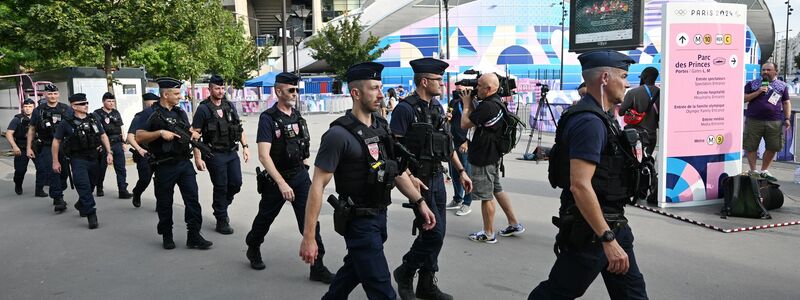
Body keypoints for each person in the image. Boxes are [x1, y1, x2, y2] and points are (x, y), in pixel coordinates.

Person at [299, 62, 436, 300]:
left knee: (353, 270)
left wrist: (419, 202)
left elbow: (396, 170)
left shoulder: (381, 127)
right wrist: (309, 237)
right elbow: (318, 185)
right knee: (382, 289)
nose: (381, 94)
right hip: (358, 223)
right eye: (374, 88)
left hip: (379, 216)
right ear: (356, 93)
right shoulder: (337, 135)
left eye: (381, 88)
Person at [530, 50, 648, 299]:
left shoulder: (601, 118)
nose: (628, 83)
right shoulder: (590, 122)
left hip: (611, 222)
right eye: (624, 76)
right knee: (558, 292)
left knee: (632, 293)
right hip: (593, 230)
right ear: (605, 78)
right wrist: (606, 238)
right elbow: (580, 185)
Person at [389, 57, 471, 300]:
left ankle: (426, 283)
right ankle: (405, 272)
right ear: (424, 81)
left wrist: (461, 171)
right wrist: (410, 177)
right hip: (418, 181)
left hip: (436, 177)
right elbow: (394, 150)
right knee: (433, 233)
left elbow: (448, 145)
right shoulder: (404, 109)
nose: (442, 84)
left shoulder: (436, 107)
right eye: (438, 80)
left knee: (439, 233)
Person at [244, 72, 334, 283]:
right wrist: (281, 183)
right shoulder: (268, 119)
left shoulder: (297, 116)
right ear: (278, 91)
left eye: (296, 90)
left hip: (299, 177)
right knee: (265, 218)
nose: (295, 93)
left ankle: (317, 266)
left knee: (310, 222)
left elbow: (301, 147)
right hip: (277, 180)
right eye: (291, 90)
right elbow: (263, 156)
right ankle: (253, 247)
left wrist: (303, 168)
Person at [133, 77, 213, 250]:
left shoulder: (180, 112)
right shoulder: (149, 113)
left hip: (184, 163)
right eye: (176, 93)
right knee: (165, 202)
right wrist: (160, 133)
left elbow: (187, 131)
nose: (180, 96)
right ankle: (167, 235)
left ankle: (194, 235)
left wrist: (193, 137)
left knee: (192, 200)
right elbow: (138, 136)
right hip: (164, 165)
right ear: (165, 94)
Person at [459, 73, 524, 244]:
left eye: (479, 85)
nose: (476, 88)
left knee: (486, 196)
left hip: (484, 157)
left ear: (489, 89)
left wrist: (466, 104)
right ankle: (514, 223)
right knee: (497, 189)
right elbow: (476, 119)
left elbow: (465, 123)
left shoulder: (488, 106)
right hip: (493, 154)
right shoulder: (495, 102)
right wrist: (472, 102)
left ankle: (488, 233)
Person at [190, 75, 249, 234]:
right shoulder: (203, 109)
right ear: (209, 89)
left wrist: (245, 146)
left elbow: (238, 127)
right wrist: (197, 157)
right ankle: (221, 220)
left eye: (223, 88)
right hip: (214, 154)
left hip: (231, 152)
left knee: (236, 183)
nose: (221, 91)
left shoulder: (229, 106)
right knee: (221, 186)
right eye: (217, 88)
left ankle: (221, 206)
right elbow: (195, 135)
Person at [52, 93, 114, 229]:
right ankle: (91, 214)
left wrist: (109, 152)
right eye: (82, 104)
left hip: (94, 157)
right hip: (77, 159)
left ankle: (81, 204)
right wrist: (55, 161)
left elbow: (103, 136)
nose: (86, 105)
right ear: (74, 106)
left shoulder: (93, 119)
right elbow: (56, 142)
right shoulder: (66, 123)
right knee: (83, 185)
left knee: (92, 185)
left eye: (86, 103)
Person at [27, 83, 72, 211]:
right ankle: (58, 199)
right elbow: (32, 129)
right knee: (53, 172)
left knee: (64, 174)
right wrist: (29, 147)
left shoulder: (65, 109)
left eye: (55, 93)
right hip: (46, 145)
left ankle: (58, 189)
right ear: (45, 94)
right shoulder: (38, 110)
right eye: (50, 94)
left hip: (63, 145)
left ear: (58, 94)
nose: (52, 96)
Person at [743, 62, 791, 182]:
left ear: (776, 71)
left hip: (774, 121)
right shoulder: (753, 84)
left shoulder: (782, 86)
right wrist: (758, 92)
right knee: (751, 146)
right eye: (763, 70)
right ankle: (753, 171)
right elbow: (743, 98)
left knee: (773, 146)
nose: (765, 72)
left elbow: (786, 102)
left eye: (768, 70)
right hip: (754, 120)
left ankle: (764, 171)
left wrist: (787, 118)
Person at [93, 92, 132, 198]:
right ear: (103, 101)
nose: (111, 103)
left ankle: (122, 190)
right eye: (108, 101)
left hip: (117, 143)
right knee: (102, 168)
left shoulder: (116, 112)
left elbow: (121, 127)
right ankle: (99, 187)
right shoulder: (97, 113)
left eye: (112, 101)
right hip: (104, 143)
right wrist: (98, 144)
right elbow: (96, 131)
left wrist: (123, 142)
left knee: (121, 168)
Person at [445, 83, 473, 216]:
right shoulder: (453, 102)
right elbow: (450, 120)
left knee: (466, 172)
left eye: (460, 91)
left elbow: (474, 126)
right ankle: (457, 198)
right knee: (454, 172)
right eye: (456, 91)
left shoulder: (471, 104)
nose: (457, 93)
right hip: (452, 141)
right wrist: (447, 119)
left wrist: (467, 142)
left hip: (464, 144)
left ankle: (467, 203)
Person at [127, 92, 159, 208]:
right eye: (152, 104)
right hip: (144, 153)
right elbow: (130, 137)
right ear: (147, 104)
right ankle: (137, 192)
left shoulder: (162, 116)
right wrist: (139, 149)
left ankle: (160, 203)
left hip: (160, 153)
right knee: (145, 179)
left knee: (160, 180)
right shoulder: (140, 116)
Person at [618, 66, 660, 156]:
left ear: (644, 77)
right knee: (648, 160)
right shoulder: (661, 93)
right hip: (652, 136)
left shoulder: (632, 93)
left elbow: (620, 112)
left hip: (635, 136)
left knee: (634, 163)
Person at [6, 98, 36, 195]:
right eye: (25, 107)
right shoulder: (17, 119)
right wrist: (14, 147)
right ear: (23, 108)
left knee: (43, 168)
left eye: (30, 107)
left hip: (35, 147)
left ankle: (41, 187)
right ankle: (18, 184)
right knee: (20, 170)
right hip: (21, 147)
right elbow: (9, 133)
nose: (27, 109)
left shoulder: (38, 118)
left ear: (34, 108)